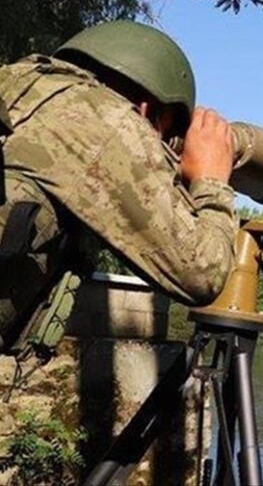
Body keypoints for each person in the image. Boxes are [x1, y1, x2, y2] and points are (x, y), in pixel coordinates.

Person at [0, 20, 237, 353]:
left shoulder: (16, 80)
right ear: (146, 109)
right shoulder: (111, 121)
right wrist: (211, 181)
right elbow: (201, 273)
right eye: (163, 135)